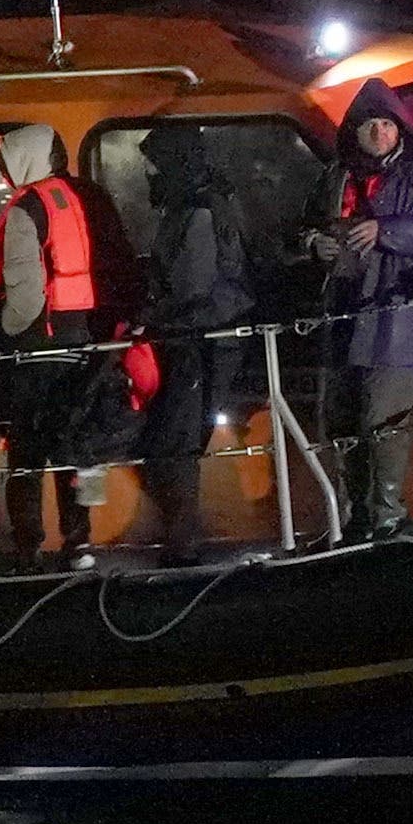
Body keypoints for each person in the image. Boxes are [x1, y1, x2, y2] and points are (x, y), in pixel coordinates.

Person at [314, 80, 413, 540]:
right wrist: (311, 243)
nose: (378, 131)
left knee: (384, 418)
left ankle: (388, 515)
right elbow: (299, 229)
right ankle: (356, 517)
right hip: (342, 313)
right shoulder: (335, 175)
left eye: (386, 123)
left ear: (400, 129)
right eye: (369, 124)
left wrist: (386, 230)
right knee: (341, 418)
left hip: (397, 315)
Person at [134, 122, 255, 565]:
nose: (149, 174)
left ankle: (184, 544)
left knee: (180, 437)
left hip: (200, 341)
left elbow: (192, 287)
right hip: (197, 335)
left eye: (154, 165)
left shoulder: (198, 211)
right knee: (178, 435)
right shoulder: (190, 204)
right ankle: (179, 534)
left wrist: (147, 317)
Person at [0, 123, 106, 565]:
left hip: (36, 347)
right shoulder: (71, 200)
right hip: (79, 342)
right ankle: (82, 542)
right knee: (79, 449)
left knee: (27, 453)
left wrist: (3, 329)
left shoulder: (25, 210)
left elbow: (25, 296)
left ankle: (27, 546)